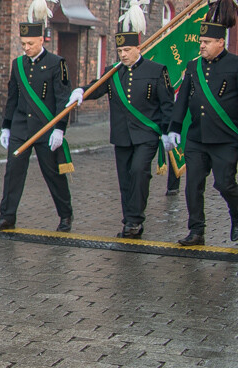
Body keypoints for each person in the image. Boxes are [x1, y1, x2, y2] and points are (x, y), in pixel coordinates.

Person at [68, 13, 173, 238]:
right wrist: (81, 92)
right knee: (125, 178)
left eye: (127, 51)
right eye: (120, 52)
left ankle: (136, 219)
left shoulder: (157, 71)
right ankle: (129, 220)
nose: (123, 55)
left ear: (138, 48)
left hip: (146, 135)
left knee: (139, 172)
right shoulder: (113, 72)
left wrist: (166, 132)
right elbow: (96, 89)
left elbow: (167, 104)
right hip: (122, 135)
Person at [0, 0, 74, 233]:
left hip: (46, 128)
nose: (26, 48)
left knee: (53, 174)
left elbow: (63, 98)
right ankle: (7, 216)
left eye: (30, 44)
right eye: (23, 43)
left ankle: (65, 215)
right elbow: (12, 97)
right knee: (13, 173)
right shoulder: (18, 65)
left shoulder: (58, 64)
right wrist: (6, 126)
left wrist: (60, 128)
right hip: (21, 127)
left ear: (42, 40)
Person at [167, 0, 238, 246]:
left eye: (207, 42)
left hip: (225, 139)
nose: (202, 46)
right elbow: (183, 99)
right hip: (197, 138)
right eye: (200, 42)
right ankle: (196, 231)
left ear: (221, 42)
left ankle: (236, 215)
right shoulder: (193, 66)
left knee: (225, 184)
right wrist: (174, 128)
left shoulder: (235, 66)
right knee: (193, 186)